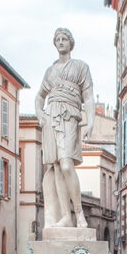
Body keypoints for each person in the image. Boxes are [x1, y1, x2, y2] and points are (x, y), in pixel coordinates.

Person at [35, 27, 95, 229]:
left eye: (64, 39)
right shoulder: (50, 71)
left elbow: (88, 97)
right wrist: (39, 114)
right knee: (58, 166)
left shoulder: (80, 67)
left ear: (71, 43)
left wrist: (91, 120)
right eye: (57, 39)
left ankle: (79, 214)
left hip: (70, 114)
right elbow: (39, 96)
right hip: (52, 116)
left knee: (67, 164)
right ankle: (66, 217)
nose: (61, 42)